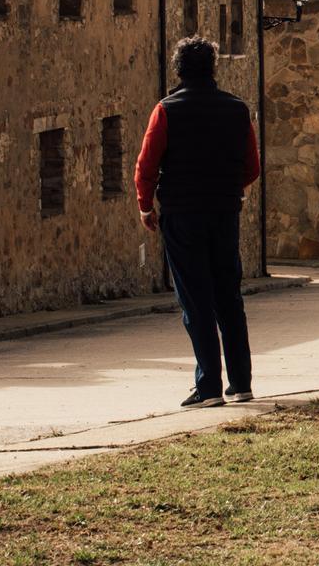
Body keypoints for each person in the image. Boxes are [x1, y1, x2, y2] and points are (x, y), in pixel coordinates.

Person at [135, 36, 261, 408]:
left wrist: (146, 207)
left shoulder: (166, 110)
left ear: (178, 70)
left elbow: (146, 166)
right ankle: (241, 382)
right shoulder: (237, 110)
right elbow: (252, 167)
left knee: (196, 299)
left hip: (182, 214)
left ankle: (207, 385)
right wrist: (226, 188)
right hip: (224, 212)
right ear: (213, 68)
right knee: (228, 296)